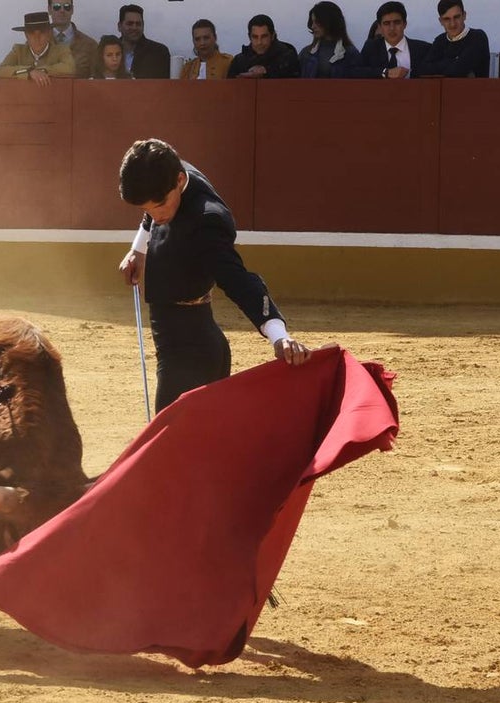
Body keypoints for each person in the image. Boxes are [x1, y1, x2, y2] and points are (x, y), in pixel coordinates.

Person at [117, 139, 311, 413]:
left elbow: (239, 281)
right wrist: (138, 250)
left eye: (159, 205)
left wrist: (279, 336)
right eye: (146, 209)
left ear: (180, 180)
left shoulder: (208, 221)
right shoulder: (167, 170)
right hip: (185, 336)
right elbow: (152, 214)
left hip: (188, 347)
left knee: (170, 438)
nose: (155, 215)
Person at [417, 0, 491, 78]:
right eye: (447, 19)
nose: (452, 24)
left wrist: (440, 65)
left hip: (476, 89)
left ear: (464, 15)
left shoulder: (478, 37)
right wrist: (454, 61)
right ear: (441, 21)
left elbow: (458, 70)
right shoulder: (440, 40)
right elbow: (422, 70)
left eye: (456, 17)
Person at [0, 12, 76, 83]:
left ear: (48, 33)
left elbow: (70, 68)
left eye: (42, 32)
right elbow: (1, 70)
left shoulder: (61, 50)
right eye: (32, 33)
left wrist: (41, 70)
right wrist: (29, 71)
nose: (37, 38)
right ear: (26, 35)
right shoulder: (18, 50)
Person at [358, 2, 431, 78]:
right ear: (380, 27)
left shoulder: (424, 49)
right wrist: (385, 72)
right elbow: (356, 71)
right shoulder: (371, 48)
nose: (392, 28)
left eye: (397, 22)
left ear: (405, 24)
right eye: (387, 23)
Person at [298, 2, 363, 78]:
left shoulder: (350, 54)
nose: (313, 26)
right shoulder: (306, 54)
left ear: (330, 21)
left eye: (317, 22)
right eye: (312, 22)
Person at [227, 14, 300, 78]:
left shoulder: (287, 56)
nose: (259, 42)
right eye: (255, 37)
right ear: (249, 37)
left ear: (272, 36)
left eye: (264, 36)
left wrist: (266, 71)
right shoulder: (239, 61)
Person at [117, 4, 170, 79]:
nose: (134, 28)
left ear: (143, 25)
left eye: (138, 24)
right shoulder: (107, 51)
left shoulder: (159, 53)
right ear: (119, 26)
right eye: (130, 23)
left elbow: (165, 86)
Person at [49, 0, 97, 78]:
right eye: (57, 7)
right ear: (49, 9)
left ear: (72, 10)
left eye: (67, 7)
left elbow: (97, 79)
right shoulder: (37, 44)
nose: (62, 11)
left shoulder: (90, 45)